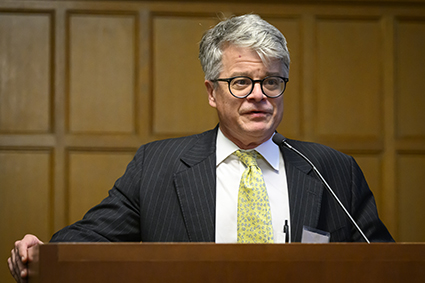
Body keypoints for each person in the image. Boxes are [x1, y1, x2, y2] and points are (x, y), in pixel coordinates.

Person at [8, 14, 393, 282]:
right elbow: (90, 241)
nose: (259, 96)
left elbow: (385, 266)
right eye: (241, 82)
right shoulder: (156, 166)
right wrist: (40, 252)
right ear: (212, 91)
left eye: (271, 81)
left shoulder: (333, 168)